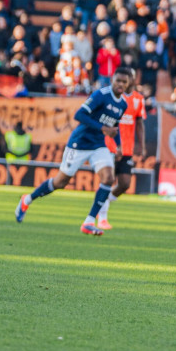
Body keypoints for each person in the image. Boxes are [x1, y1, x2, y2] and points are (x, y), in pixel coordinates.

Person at [15, 67, 133, 236]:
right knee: (60, 182)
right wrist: (103, 128)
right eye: (118, 81)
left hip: (99, 145)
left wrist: (118, 144)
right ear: (112, 79)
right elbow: (79, 115)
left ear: (128, 84)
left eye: (124, 82)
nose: (121, 84)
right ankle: (27, 199)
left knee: (108, 178)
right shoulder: (101, 95)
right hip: (79, 143)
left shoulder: (122, 104)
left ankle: (89, 222)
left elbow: (115, 126)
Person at [97, 70, 146, 229]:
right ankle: (102, 218)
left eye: (129, 77)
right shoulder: (113, 97)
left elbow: (139, 123)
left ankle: (106, 201)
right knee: (107, 180)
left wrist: (142, 145)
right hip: (110, 145)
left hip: (127, 147)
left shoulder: (138, 99)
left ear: (132, 79)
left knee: (125, 184)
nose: (126, 81)